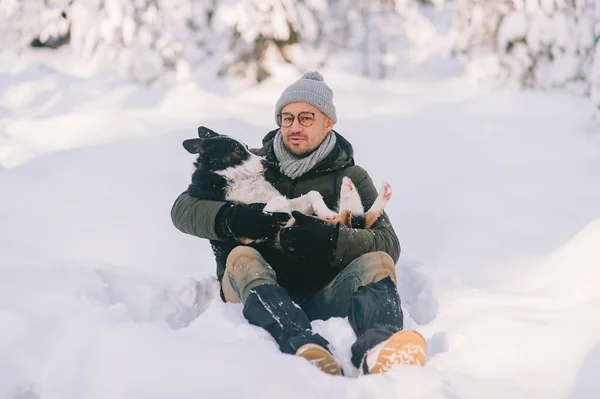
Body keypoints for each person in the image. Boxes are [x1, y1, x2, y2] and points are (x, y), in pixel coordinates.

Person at [171, 71, 425, 376]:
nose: (294, 126)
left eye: (306, 118)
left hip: (326, 292)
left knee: (379, 260)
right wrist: (232, 219)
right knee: (241, 258)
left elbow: (388, 243)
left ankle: (380, 347)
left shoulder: (351, 176)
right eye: (287, 117)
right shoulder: (254, 161)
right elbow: (183, 209)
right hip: (258, 290)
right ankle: (301, 343)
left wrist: (333, 240)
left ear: (327, 123)